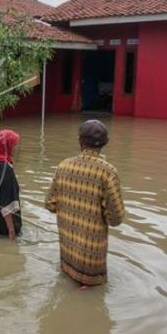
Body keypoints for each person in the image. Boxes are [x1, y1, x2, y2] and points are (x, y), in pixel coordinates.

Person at [45, 120, 125, 287]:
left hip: (67, 255)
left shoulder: (63, 166)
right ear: (105, 143)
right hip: (91, 262)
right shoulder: (108, 172)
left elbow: (50, 204)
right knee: (92, 295)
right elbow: (116, 219)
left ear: (80, 141)